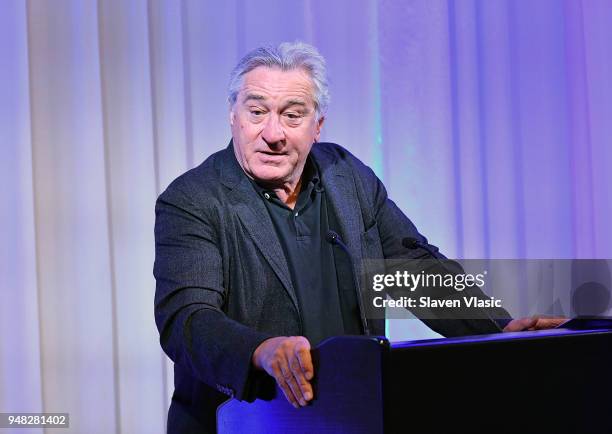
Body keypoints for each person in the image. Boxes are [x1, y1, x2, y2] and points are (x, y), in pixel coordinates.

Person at [153, 41, 563, 434]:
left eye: (292, 115)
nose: (272, 132)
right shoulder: (193, 199)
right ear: (233, 115)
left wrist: (496, 329)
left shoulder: (346, 175)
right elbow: (187, 319)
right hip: (245, 421)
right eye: (257, 112)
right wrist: (260, 351)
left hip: (350, 416)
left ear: (318, 125)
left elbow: (412, 268)